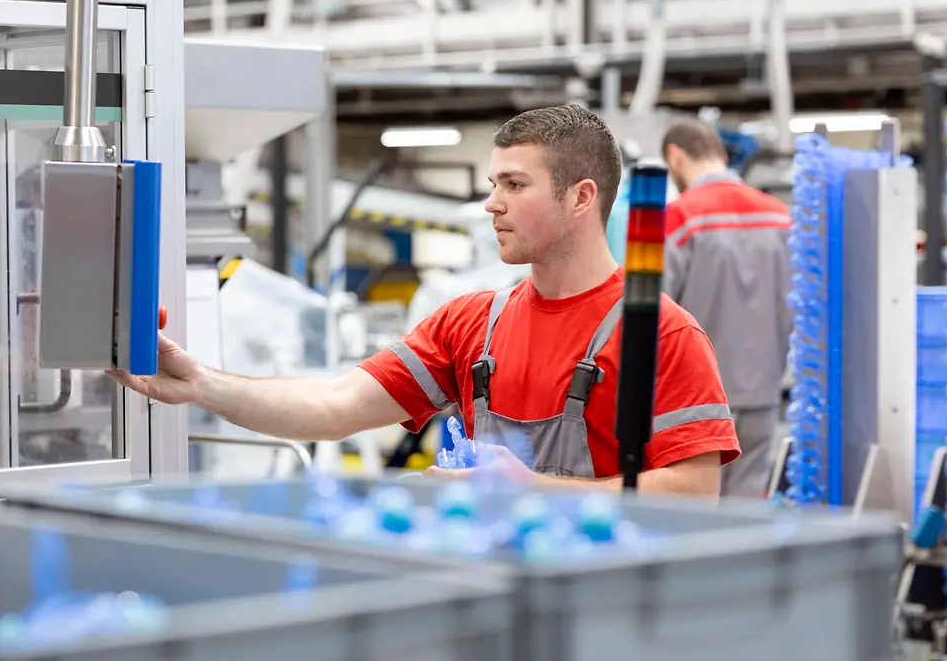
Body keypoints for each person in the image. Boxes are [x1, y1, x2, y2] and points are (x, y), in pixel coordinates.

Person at [111, 105, 740, 497]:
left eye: (514, 185)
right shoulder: (473, 324)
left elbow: (693, 491)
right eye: (494, 183)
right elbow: (335, 404)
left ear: (581, 198)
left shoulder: (662, 334)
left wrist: (533, 492)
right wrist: (201, 385)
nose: (492, 202)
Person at [660, 118, 792, 498]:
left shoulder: (678, 218)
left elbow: (648, 315)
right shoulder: (780, 215)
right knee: (746, 514)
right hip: (764, 396)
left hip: (693, 405)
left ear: (676, 157)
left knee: (694, 517)